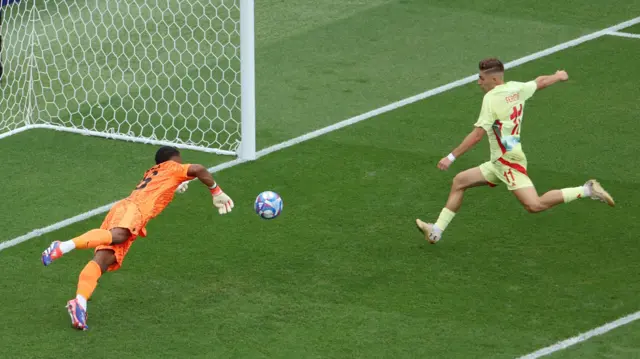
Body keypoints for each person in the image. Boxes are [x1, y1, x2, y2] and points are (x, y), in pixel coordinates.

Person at [416, 58, 614, 244]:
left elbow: (477, 135)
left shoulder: (491, 99)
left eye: (481, 78)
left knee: (534, 205)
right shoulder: (516, 88)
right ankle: (436, 231)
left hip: (507, 162)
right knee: (460, 182)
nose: (478, 82)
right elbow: (539, 82)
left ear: (494, 79)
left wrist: (451, 156)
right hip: (501, 160)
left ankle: (587, 189)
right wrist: (558, 76)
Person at [41, 146, 234, 330]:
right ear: (175, 157)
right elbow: (199, 169)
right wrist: (216, 191)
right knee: (118, 235)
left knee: (103, 260)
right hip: (134, 211)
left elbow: (156, 189)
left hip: (127, 209)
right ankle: (64, 245)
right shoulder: (174, 167)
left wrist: (177, 184)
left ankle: (79, 303)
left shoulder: (156, 171)